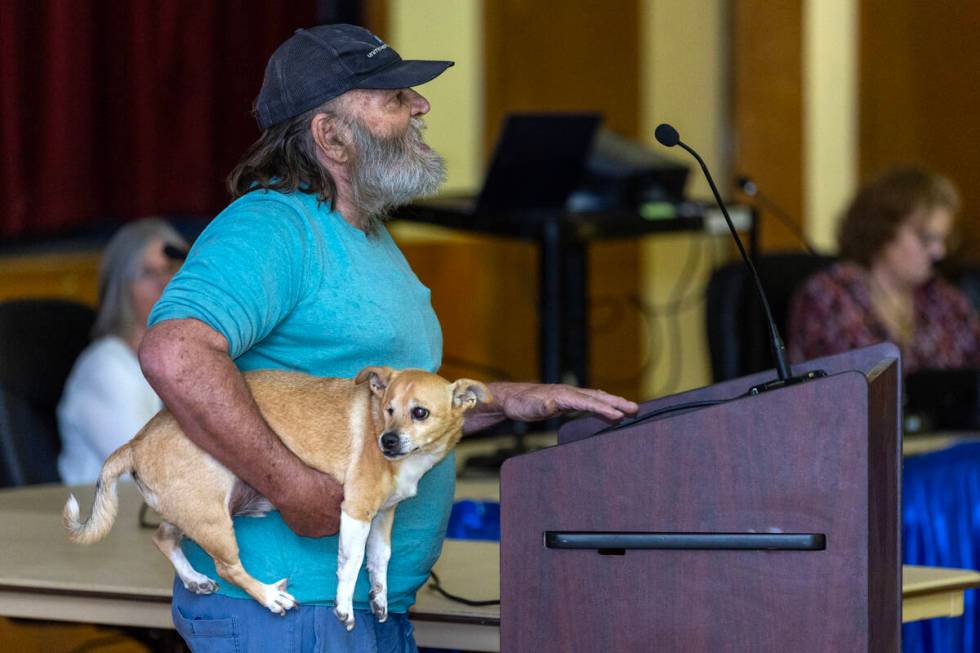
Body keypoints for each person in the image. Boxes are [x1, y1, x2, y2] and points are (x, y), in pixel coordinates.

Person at [137, 24, 639, 653]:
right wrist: (293, 487)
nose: (420, 106)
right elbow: (174, 353)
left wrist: (505, 400)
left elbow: (387, 423)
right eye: (395, 97)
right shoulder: (271, 228)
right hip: (289, 612)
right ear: (331, 136)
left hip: (356, 612)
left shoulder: (363, 232)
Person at [787, 166, 980, 375]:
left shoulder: (942, 299)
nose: (939, 252)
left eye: (943, 239)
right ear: (882, 230)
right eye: (926, 239)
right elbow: (831, 390)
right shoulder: (830, 295)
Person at [56, 218, 186, 485]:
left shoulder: (185, 358)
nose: (165, 283)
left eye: (173, 269)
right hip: (108, 521)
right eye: (149, 273)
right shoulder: (105, 366)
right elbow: (145, 471)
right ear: (120, 289)